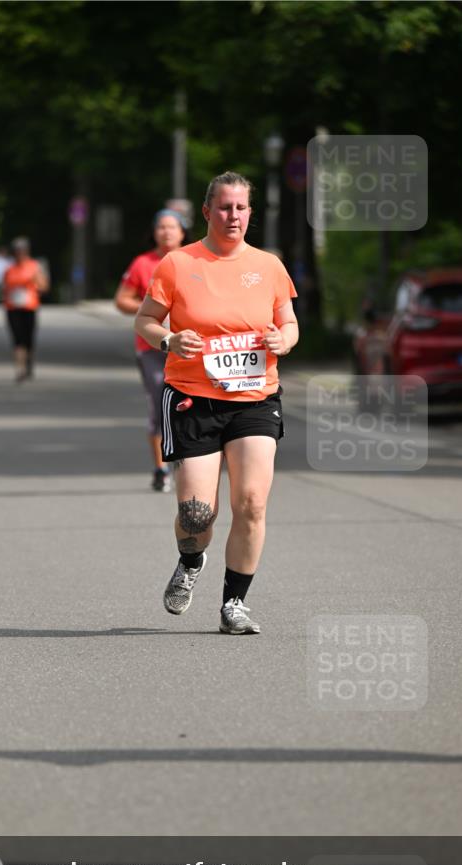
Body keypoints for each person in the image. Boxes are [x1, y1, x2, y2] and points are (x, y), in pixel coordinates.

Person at [135, 171, 299, 634]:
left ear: (250, 213)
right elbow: (145, 320)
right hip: (193, 398)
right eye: (224, 207)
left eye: (241, 208)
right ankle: (191, 559)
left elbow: (289, 324)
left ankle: (234, 605)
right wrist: (168, 339)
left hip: (254, 398)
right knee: (196, 514)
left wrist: (282, 341)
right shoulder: (177, 263)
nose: (233, 216)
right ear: (207, 212)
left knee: (251, 502)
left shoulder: (269, 266)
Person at [115, 209, 186, 492]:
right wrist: (150, 309)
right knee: (159, 403)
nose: (166, 232)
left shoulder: (196, 260)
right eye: (161, 227)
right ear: (154, 232)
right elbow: (121, 300)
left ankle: (190, 462)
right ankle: (161, 469)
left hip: (190, 347)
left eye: (172, 227)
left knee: (193, 405)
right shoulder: (143, 263)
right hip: (152, 347)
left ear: (182, 232)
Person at [3, 237, 49, 381]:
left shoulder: (34, 266)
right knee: (17, 339)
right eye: (17, 251)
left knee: (29, 339)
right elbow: (5, 288)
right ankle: (20, 369)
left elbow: (44, 286)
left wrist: (34, 283)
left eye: (22, 250)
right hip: (13, 308)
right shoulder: (9, 269)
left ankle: (28, 364)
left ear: (27, 251)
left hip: (29, 307)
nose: (19, 254)